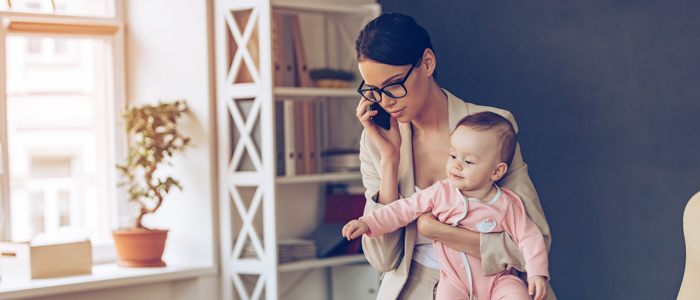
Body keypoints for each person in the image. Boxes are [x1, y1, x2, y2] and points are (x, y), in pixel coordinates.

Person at [353, 12, 556, 299]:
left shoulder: (493, 128)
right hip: (415, 287)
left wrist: (437, 231)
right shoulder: (376, 141)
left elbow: (532, 244)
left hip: (497, 285)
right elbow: (384, 260)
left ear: (427, 62)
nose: (385, 102)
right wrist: (389, 160)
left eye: (394, 84)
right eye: (374, 91)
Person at [344, 112, 548, 300]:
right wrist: (368, 222)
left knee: (518, 295)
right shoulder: (441, 192)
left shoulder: (506, 204)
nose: (457, 165)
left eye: (468, 161)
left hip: (500, 279)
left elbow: (530, 237)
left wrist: (536, 273)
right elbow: (403, 208)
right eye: (452, 156)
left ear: (496, 172)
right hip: (454, 280)